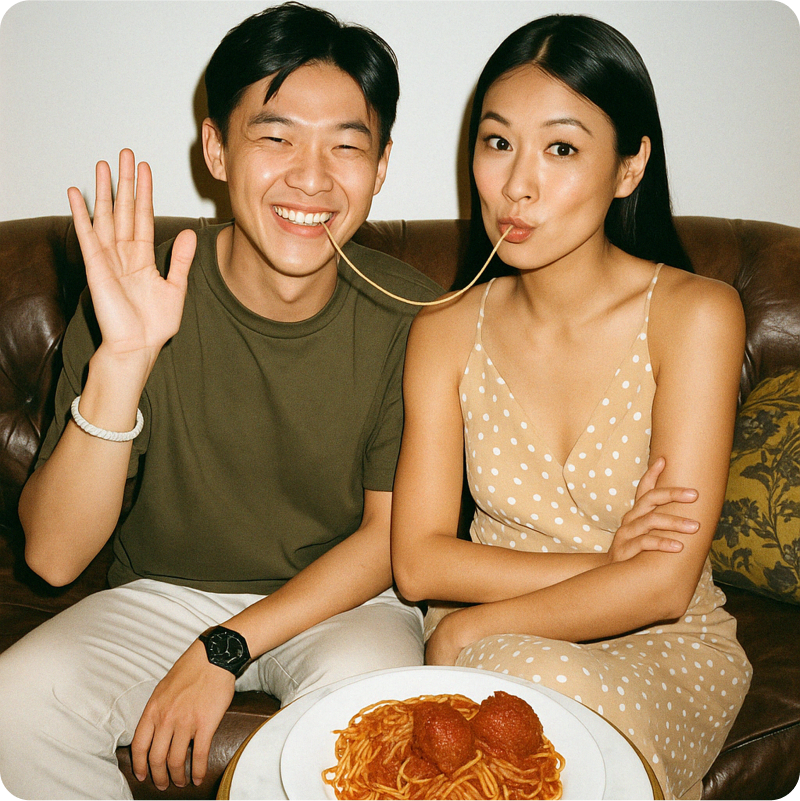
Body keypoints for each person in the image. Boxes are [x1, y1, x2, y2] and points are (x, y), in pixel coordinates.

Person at [0, 4, 442, 799]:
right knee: (14, 706)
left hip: (342, 597)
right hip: (164, 590)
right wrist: (124, 357)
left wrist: (226, 647)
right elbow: (54, 555)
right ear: (215, 148)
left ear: (379, 169)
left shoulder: (415, 314)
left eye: (346, 145)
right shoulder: (138, 290)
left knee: (373, 711)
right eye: (275, 137)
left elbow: (388, 538)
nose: (312, 176)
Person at [391, 14, 751, 801]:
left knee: (530, 688)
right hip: (498, 639)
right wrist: (607, 563)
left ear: (629, 167)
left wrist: (467, 628)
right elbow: (418, 560)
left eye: (561, 148)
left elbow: (663, 588)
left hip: (660, 642)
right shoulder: (443, 329)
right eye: (497, 143)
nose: (518, 184)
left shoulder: (696, 314)